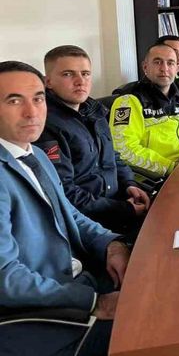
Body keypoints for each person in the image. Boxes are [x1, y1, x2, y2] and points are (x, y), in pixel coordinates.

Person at [0, 61, 130, 356]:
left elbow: (68, 213)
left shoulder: (34, 154)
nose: (32, 112)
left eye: (38, 99)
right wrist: (92, 301)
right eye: (14, 101)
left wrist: (111, 243)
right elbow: (5, 278)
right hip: (44, 318)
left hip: (79, 281)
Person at [34, 46, 148, 236]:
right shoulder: (45, 125)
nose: (80, 81)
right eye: (68, 74)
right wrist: (123, 209)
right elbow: (65, 192)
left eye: (85, 74)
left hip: (120, 205)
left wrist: (130, 184)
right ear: (48, 82)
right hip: (91, 224)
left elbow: (114, 157)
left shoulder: (95, 111)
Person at [110, 43, 179, 178]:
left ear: (177, 68)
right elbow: (124, 150)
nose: (164, 69)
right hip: (156, 179)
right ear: (145, 67)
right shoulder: (128, 101)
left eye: (170, 63)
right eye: (157, 62)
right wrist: (171, 168)